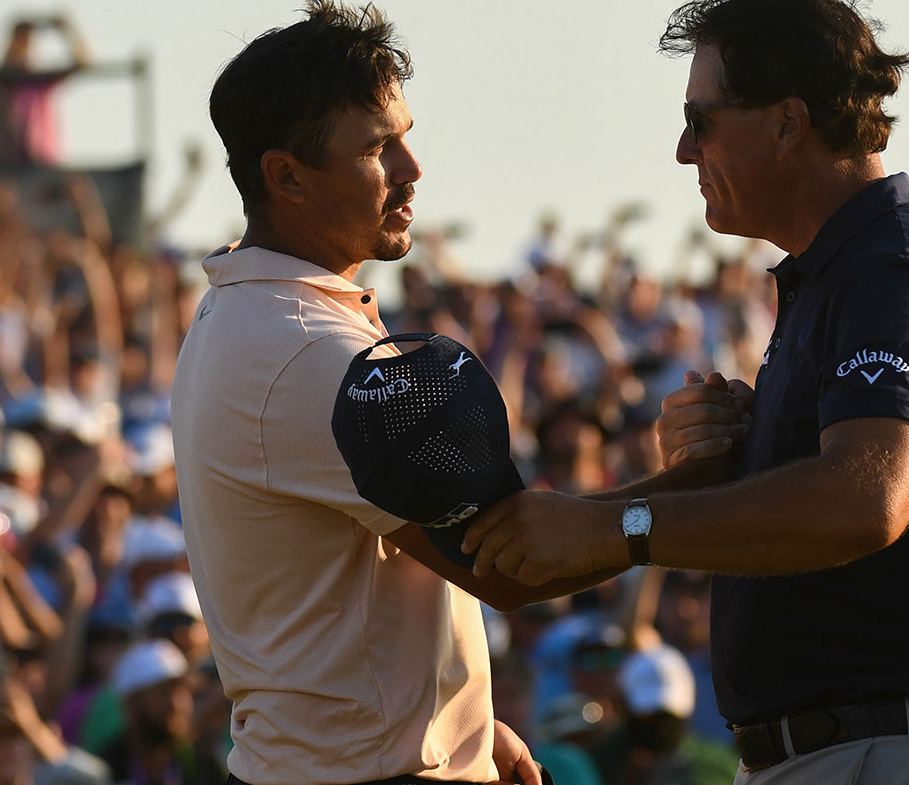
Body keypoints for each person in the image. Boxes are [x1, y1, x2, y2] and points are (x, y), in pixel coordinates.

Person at [462, 1, 909, 782]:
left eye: (701, 119)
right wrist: (712, 469)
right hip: (846, 751)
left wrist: (622, 525)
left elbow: (862, 500)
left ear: (788, 123)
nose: (683, 149)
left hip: (890, 753)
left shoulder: (894, 268)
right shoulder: (839, 272)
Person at [171, 4, 613, 785]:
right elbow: (515, 565)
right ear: (286, 176)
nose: (412, 167)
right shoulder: (309, 351)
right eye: (379, 146)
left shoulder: (242, 312)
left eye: (406, 135)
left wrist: (465, 727)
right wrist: (693, 491)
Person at [0, 14, 91, 169]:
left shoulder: (41, 79)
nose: (22, 48)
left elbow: (83, 63)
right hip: (10, 162)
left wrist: (67, 30)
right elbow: (2, 70)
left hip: (44, 160)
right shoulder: (2, 81)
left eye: (26, 43)